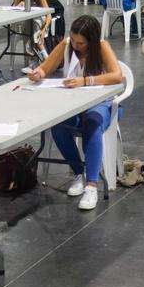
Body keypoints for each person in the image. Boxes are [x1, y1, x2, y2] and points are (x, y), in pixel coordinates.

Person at [27, 15, 123, 211]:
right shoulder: (67, 44)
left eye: (81, 43)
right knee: (57, 125)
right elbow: (46, 67)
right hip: (74, 104)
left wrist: (86, 81)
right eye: (74, 40)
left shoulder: (102, 47)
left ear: (92, 41)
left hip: (101, 103)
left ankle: (92, 185)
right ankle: (79, 173)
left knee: (92, 124)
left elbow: (117, 76)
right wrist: (38, 74)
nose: (76, 45)